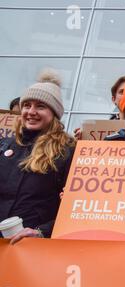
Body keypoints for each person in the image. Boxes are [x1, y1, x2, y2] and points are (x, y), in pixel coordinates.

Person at [0, 69, 75, 244]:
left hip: (33, 248)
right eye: (27, 105)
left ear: (54, 113)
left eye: (40, 106)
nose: (31, 112)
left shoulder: (67, 151)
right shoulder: (5, 145)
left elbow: (73, 208)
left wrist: (41, 232)